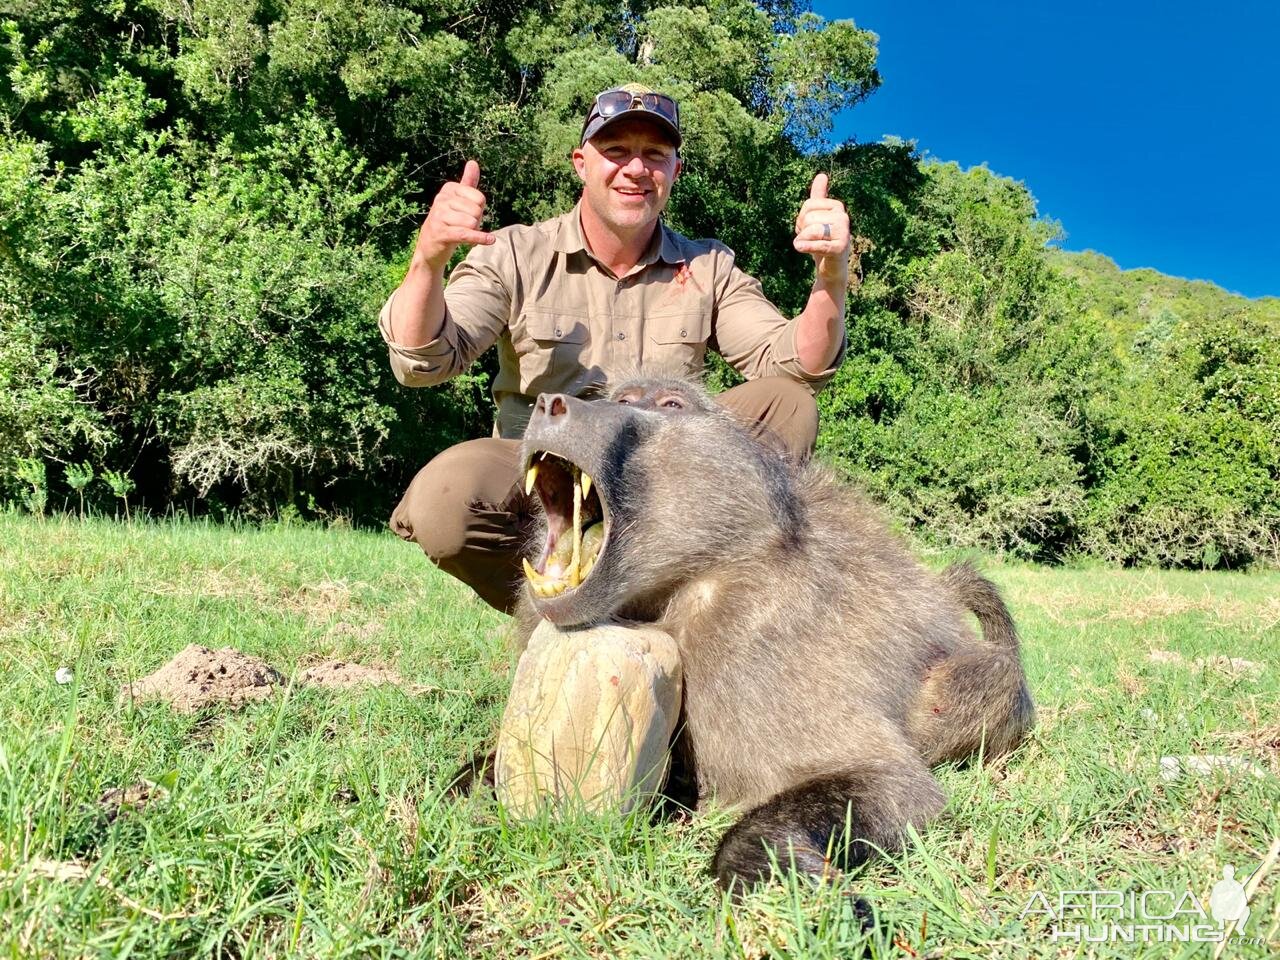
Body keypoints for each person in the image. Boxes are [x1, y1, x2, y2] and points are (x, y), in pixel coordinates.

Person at [378, 83, 854, 612]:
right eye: (616, 151)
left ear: (675, 171)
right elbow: (423, 360)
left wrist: (832, 275)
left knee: (789, 403)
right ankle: (564, 605)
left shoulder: (708, 266)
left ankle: (687, 601)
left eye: (654, 155)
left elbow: (799, 363)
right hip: (544, 478)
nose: (635, 169)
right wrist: (428, 259)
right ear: (582, 163)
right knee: (443, 506)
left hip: (664, 483)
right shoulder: (515, 252)